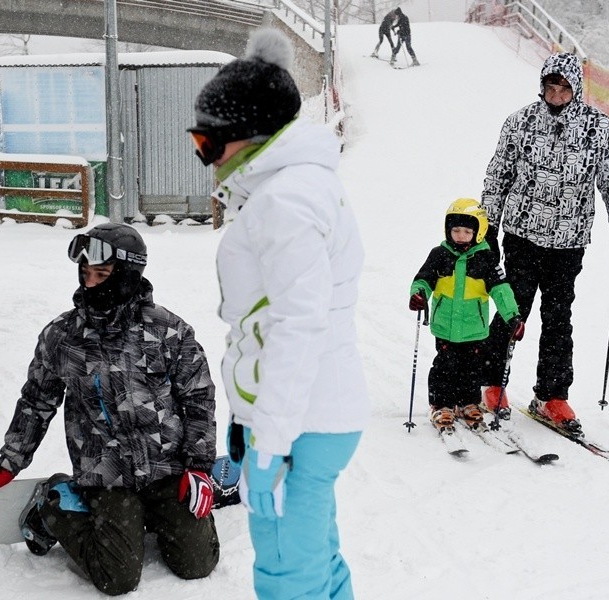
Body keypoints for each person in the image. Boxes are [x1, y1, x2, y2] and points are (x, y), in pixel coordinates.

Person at [188, 28, 369, 600]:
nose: (203, 157)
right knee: (316, 562)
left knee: (289, 578)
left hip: (297, 426)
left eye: (207, 142)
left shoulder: (285, 202)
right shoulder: (292, 189)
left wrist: (269, 439)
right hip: (304, 417)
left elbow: (298, 325)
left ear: (249, 137)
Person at [0, 223, 220, 596]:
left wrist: (199, 466)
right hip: (106, 472)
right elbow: (37, 400)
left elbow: (198, 398)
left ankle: (150, 515)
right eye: (85, 274)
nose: (90, 284)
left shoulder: (168, 331)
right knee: (116, 578)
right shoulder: (63, 336)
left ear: (128, 276)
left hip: (166, 466)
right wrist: (10, 462)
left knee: (197, 564)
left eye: (101, 275)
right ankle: (53, 504)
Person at [480, 52, 609, 434]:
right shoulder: (521, 122)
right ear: (542, 87)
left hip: (569, 241)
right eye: (551, 86)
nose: (557, 93)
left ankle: (551, 395)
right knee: (511, 309)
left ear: (576, 88)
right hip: (522, 234)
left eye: (564, 87)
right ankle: (493, 383)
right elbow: (498, 175)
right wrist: (488, 229)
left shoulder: (599, 128)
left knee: (558, 317)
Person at [409, 199, 524, 433]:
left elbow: (501, 290)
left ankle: (468, 403)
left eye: (467, 231)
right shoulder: (439, 255)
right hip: (445, 326)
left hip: (475, 327)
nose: (461, 236)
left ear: (478, 232)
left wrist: (513, 317)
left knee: (472, 367)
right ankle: (441, 404)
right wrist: (419, 294)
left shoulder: (487, 259)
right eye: (456, 230)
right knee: (445, 365)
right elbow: (423, 279)